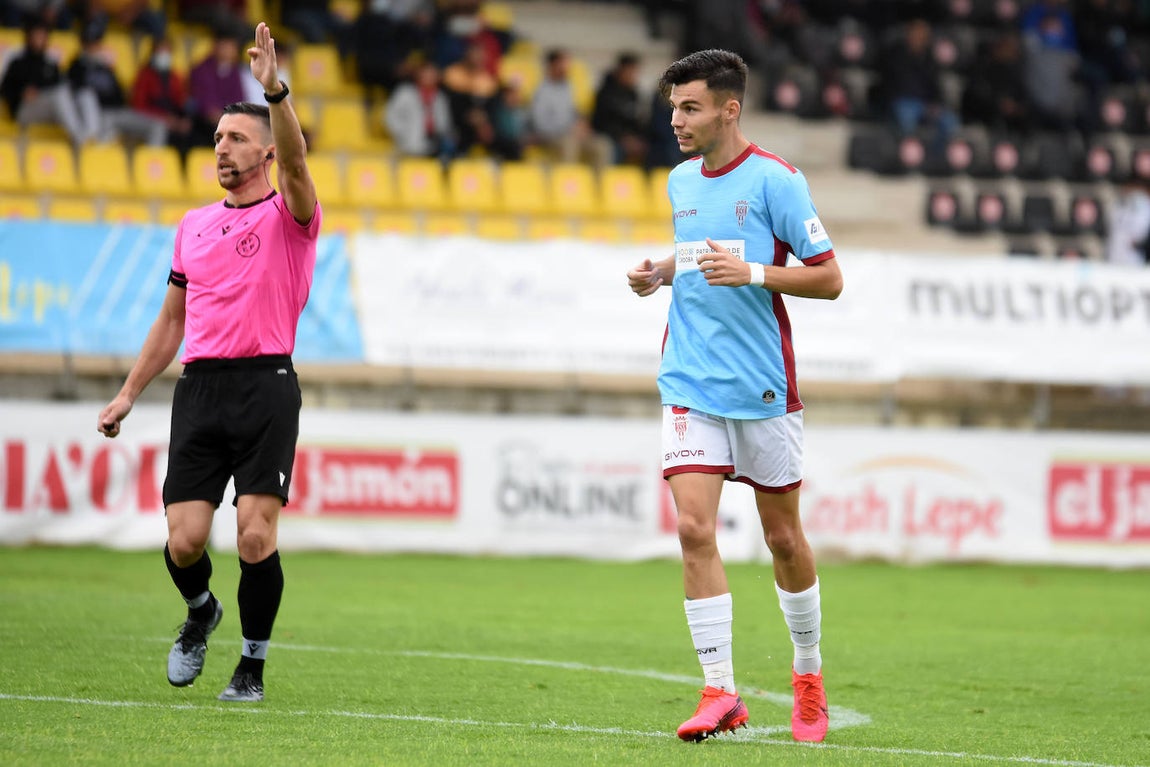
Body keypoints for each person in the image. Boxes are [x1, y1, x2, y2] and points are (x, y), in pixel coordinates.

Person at [96, 21, 321, 704]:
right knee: (186, 540)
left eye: (236, 139)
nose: (221, 148)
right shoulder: (193, 225)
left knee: (255, 533)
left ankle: (250, 667)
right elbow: (171, 320)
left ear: (264, 153)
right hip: (200, 387)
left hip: (266, 384)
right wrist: (129, 392)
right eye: (218, 138)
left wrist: (274, 92)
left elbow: (300, 166)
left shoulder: (292, 213)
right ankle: (200, 611)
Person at [625, 49, 841, 743]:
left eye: (689, 108)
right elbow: (697, 249)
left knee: (782, 537)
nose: (677, 121)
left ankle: (807, 674)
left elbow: (831, 277)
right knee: (693, 528)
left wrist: (752, 272)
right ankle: (721, 690)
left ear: (729, 108)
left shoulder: (778, 181)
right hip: (690, 378)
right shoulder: (681, 180)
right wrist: (662, 269)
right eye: (672, 108)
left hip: (761, 384)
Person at [0, 17, 101, 145]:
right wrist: (21, 92)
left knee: (85, 94)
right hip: (25, 110)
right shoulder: (18, 62)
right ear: (29, 36)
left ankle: (91, 135)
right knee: (59, 96)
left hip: (51, 108)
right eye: (37, 35)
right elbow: (4, 88)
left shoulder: (50, 63)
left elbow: (61, 84)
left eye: (43, 36)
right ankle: (79, 138)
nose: (40, 40)